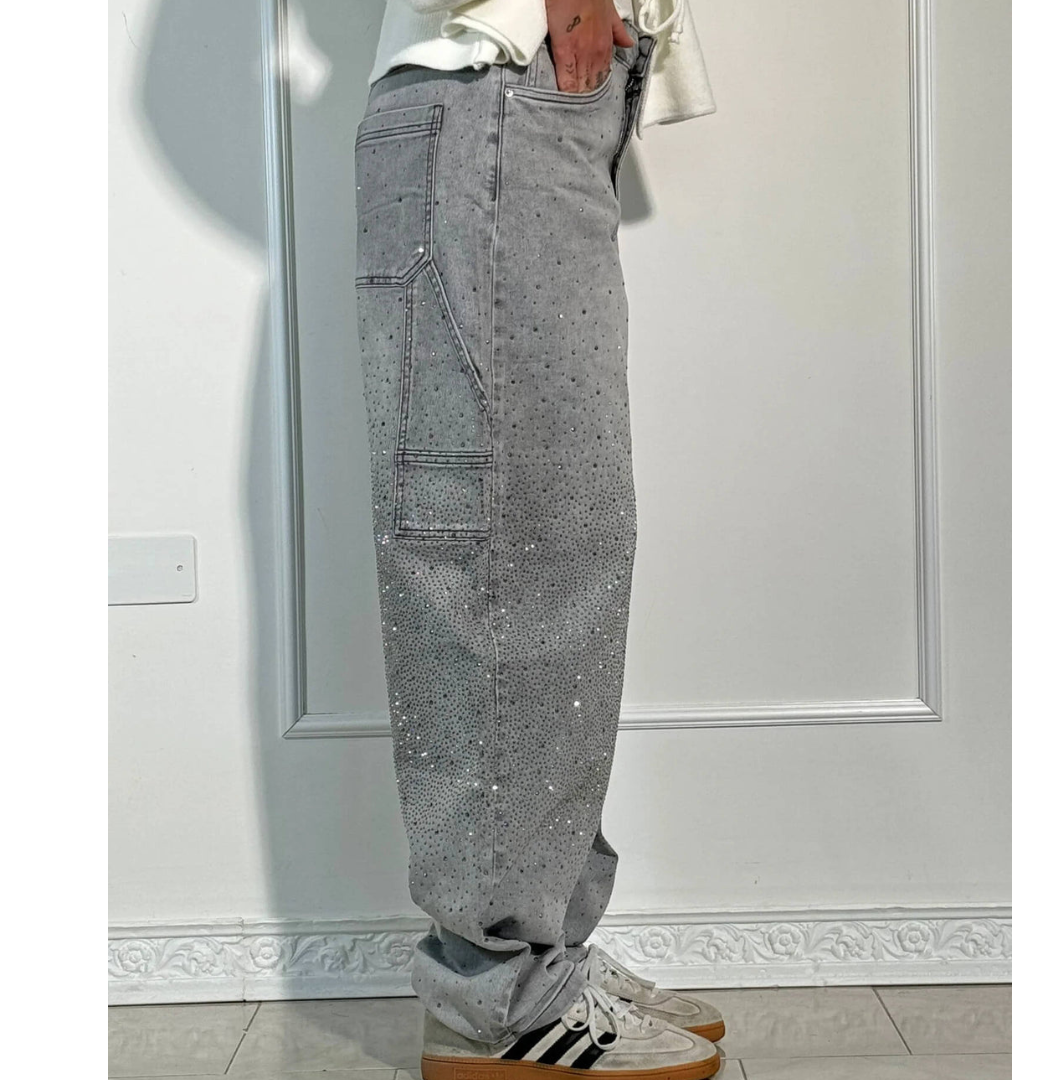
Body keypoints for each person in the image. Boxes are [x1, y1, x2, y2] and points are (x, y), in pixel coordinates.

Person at [353, 1, 724, 1074]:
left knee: (562, 537)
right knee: (510, 554)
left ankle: (543, 952)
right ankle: (500, 995)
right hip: (493, 96)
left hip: (526, 109)